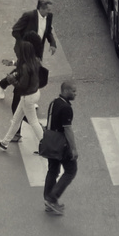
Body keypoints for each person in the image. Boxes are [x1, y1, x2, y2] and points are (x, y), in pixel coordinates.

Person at [0, 39, 44, 151]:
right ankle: (5, 143)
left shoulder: (26, 68)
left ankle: (45, 145)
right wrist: (12, 63)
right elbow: (21, 63)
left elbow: (22, 86)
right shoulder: (35, 61)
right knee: (16, 119)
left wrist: (12, 80)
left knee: (33, 122)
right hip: (35, 93)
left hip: (28, 97)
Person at [42, 80, 78, 214]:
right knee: (71, 170)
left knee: (53, 170)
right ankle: (52, 198)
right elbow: (67, 129)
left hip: (50, 142)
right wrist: (73, 149)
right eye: (73, 91)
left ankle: (47, 200)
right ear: (66, 91)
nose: (76, 94)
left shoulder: (54, 102)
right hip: (61, 144)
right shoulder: (66, 108)